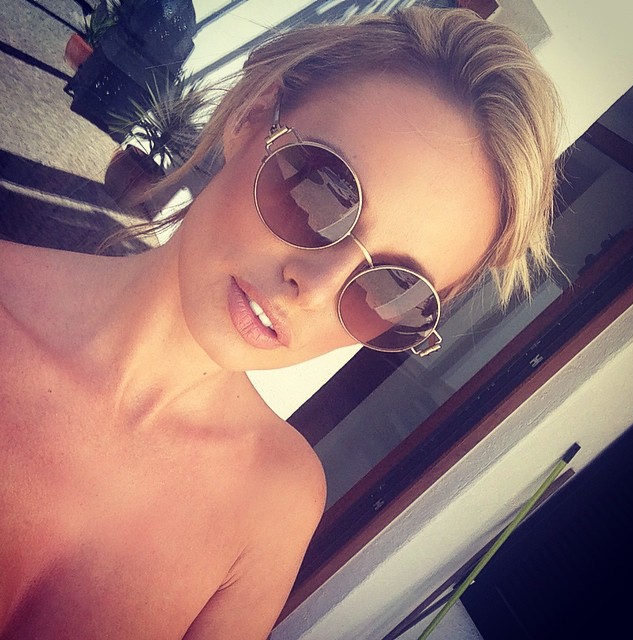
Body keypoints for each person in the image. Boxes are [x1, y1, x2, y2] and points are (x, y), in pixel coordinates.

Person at [0, 6, 562, 639]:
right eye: (320, 191)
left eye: (394, 289)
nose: (315, 289)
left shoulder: (278, 501)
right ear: (250, 118)